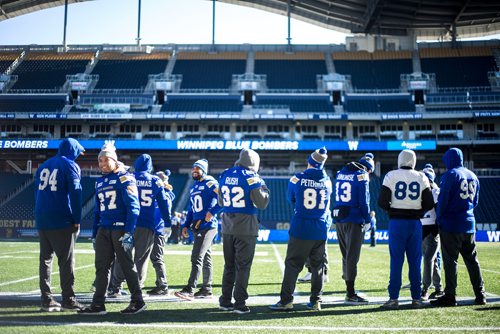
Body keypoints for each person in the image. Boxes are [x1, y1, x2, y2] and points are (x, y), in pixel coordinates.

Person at [78, 142, 145, 315]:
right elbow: (98, 211)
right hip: (103, 229)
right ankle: (98, 304)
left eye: (105, 160)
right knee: (101, 267)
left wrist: (129, 231)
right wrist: (94, 234)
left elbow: (134, 207)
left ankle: (138, 300)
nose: (102, 164)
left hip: (120, 229)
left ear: (115, 160)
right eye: (99, 161)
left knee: (126, 265)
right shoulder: (99, 181)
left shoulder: (125, 177)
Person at [269, 147, 332, 311]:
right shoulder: (327, 181)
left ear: (309, 162)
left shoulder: (296, 179)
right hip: (320, 228)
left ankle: (286, 301)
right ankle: (316, 301)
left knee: (292, 265)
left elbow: (291, 199)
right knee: (318, 267)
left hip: (301, 227)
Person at [108, 154, 173, 296]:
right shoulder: (155, 181)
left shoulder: (127, 177)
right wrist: (167, 223)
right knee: (141, 258)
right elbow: (163, 205)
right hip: (146, 225)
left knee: (122, 255)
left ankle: (115, 286)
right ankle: (136, 288)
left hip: (127, 223)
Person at [378, 149, 434, 310]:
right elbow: (430, 203)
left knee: (396, 261)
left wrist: (394, 210)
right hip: (415, 224)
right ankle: (417, 298)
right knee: (415, 262)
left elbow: (382, 202)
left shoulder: (391, 175)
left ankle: (393, 298)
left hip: (397, 223)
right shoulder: (422, 176)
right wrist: (417, 211)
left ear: (399, 160)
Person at [35, 138, 85, 312]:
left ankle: (46, 299)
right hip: (61, 220)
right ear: (72, 150)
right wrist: (77, 219)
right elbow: (76, 193)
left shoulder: (43, 165)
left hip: (42, 219)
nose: (78, 155)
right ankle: (69, 299)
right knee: (66, 261)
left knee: (45, 261)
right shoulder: (70, 165)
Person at [431, 148, 486, 307]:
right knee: (472, 260)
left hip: (451, 224)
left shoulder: (450, 175)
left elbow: (443, 201)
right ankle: (480, 294)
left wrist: (440, 219)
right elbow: (475, 202)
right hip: (469, 223)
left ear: (449, 159)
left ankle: (450, 296)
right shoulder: (473, 176)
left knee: (450, 261)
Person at [218, 148, 270, 314]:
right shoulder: (252, 177)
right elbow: (262, 203)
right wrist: (265, 189)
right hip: (245, 228)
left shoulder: (225, 174)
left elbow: (221, 201)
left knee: (229, 266)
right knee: (243, 267)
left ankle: (225, 301)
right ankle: (239, 303)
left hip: (227, 226)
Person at [175, 159, 222, 300]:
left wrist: (212, 212)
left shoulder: (209, 182)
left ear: (204, 170)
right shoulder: (194, 186)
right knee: (205, 258)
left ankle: (190, 289)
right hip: (197, 226)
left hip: (207, 227)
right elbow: (191, 209)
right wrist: (185, 225)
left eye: (198, 168)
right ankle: (206, 289)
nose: (194, 170)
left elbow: (223, 197)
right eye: (193, 168)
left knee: (196, 257)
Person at [332, 153, 375, 304]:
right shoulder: (362, 175)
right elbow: (364, 202)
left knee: (346, 255)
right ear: (369, 169)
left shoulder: (341, 172)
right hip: (354, 219)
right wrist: (368, 219)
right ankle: (350, 292)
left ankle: (348, 286)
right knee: (352, 257)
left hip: (339, 218)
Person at [148, 169, 175, 295]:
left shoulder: (166, 194)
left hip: (158, 229)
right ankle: (160, 284)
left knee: (157, 257)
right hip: (152, 227)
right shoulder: (164, 192)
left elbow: (164, 210)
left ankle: (163, 285)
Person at [420, 164, 443, 300]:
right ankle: (438, 287)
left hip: (432, 229)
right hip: (423, 228)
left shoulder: (435, 191)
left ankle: (425, 289)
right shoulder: (429, 190)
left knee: (428, 259)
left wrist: (437, 229)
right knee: (431, 261)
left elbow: (439, 212)